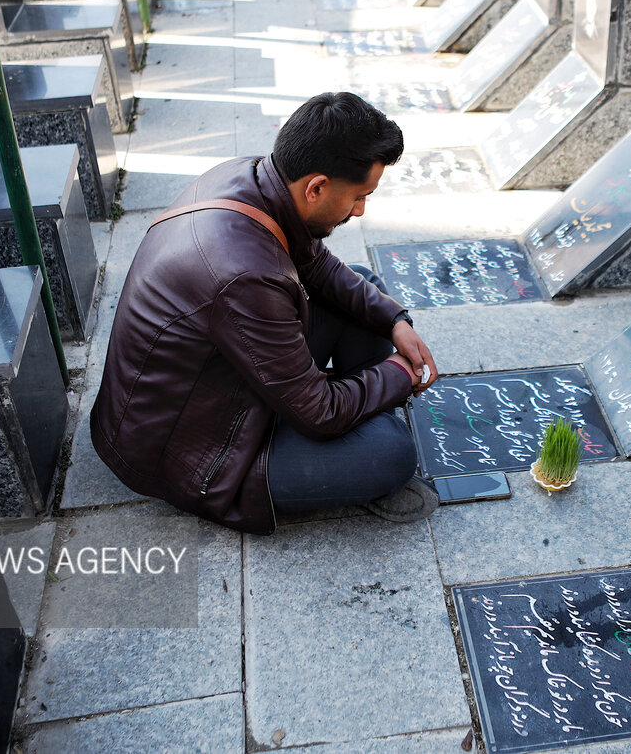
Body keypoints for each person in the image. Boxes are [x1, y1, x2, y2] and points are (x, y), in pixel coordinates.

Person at [91, 92, 439, 535]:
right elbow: (321, 413)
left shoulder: (253, 175)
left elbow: (318, 265)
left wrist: (396, 321)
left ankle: (366, 409)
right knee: (391, 454)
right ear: (316, 187)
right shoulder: (245, 276)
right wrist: (399, 373)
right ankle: (368, 423)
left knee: (364, 288)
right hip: (191, 450)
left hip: (215, 379)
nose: (360, 210)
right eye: (359, 196)